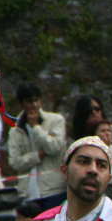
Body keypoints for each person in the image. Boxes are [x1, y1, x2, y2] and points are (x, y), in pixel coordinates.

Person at [8, 83, 68, 211]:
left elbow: (54, 147)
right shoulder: (15, 130)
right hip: (27, 192)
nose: (34, 105)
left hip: (53, 190)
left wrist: (36, 127)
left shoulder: (56, 120)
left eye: (37, 100)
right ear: (22, 104)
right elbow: (14, 162)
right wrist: (37, 156)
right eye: (29, 101)